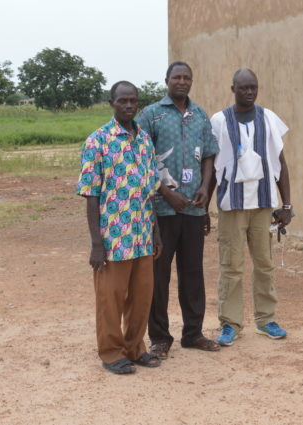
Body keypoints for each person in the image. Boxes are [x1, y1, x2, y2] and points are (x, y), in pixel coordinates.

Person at [77, 81, 163, 374]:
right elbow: (91, 194)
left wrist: (156, 233)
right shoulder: (97, 141)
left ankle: (135, 347)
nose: (128, 106)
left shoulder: (144, 140)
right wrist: (96, 243)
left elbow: (149, 191)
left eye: (133, 101)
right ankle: (112, 352)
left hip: (142, 235)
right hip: (113, 237)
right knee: (110, 299)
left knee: (141, 298)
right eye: (122, 101)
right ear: (111, 103)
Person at [136, 61, 220, 357]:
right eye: (177, 77)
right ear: (167, 80)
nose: (182, 82)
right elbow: (142, 160)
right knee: (158, 276)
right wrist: (165, 194)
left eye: (187, 78)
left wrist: (205, 192)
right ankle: (160, 337)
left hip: (194, 211)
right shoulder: (151, 115)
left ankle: (193, 333)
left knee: (193, 274)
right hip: (161, 212)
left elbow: (209, 155)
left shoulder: (199, 115)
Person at [209, 68, 292, 346]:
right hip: (232, 205)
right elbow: (210, 165)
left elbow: (280, 163)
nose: (249, 92)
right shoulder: (219, 121)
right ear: (232, 88)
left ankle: (266, 320)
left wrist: (287, 205)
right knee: (231, 266)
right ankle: (230, 324)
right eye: (243, 88)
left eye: (253, 87)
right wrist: (204, 206)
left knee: (265, 264)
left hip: (263, 204)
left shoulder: (268, 118)